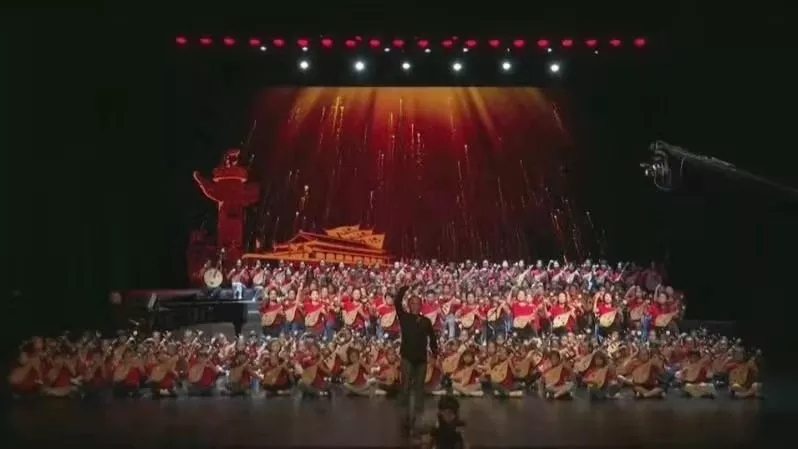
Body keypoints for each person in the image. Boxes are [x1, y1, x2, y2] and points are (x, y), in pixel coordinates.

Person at [395, 281, 439, 433]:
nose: (415, 305)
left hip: (421, 358)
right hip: (407, 357)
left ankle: (419, 414)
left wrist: (435, 353)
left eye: (417, 303)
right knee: (405, 385)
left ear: (421, 306)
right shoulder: (404, 317)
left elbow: (432, 338)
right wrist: (405, 287)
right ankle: (404, 414)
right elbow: (397, 301)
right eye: (412, 303)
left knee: (420, 387)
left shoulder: (426, 321)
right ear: (409, 305)